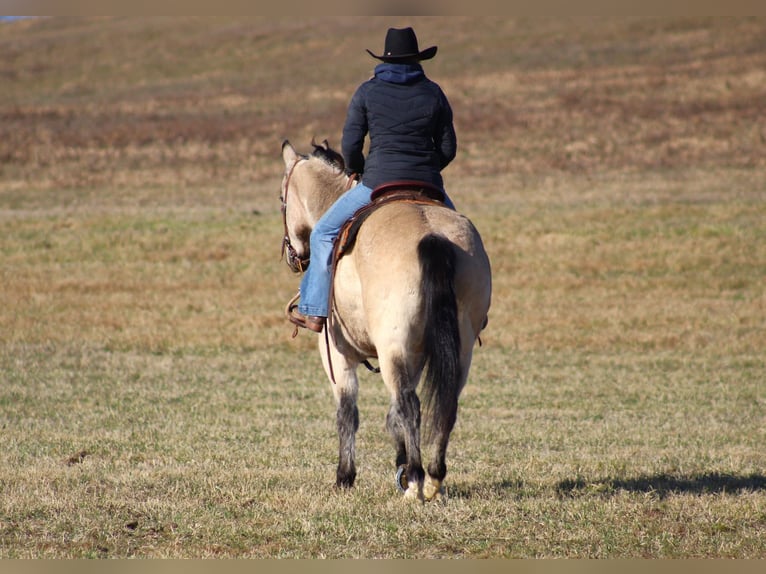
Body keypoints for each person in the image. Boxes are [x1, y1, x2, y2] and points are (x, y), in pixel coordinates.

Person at [289, 26, 457, 333]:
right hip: (428, 184)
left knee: (324, 233)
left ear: (384, 60)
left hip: (377, 183)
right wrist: (425, 168)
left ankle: (313, 310)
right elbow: (448, 149)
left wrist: (360, 170)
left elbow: (351, 144)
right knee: (463, 237)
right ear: (417, 59)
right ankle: (474, 311)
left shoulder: (367, 91)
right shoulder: (434, 92)